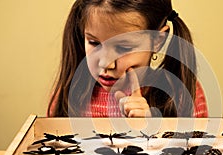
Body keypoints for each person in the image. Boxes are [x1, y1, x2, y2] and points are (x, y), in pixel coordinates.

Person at [48, 0, 208, 118]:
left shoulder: (184, 95)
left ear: (157, 40)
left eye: (123, 48)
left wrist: (151, 133)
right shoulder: (68, 95)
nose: (106, 64)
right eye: (94, 43)